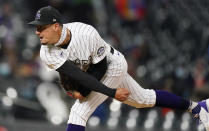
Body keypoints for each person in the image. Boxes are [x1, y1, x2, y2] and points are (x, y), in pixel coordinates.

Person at [28, 6, 209, 131]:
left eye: (41, 27)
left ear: (56, 26)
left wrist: (110, 93)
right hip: (91, 72)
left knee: (78, 112)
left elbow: (100, 69)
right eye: (36, 28)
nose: (37, 32)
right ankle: (197, 107)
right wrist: (78, 90)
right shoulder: (46, 52)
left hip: (112, 64)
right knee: (143, 99)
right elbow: (73, 74)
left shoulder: (85, 33)